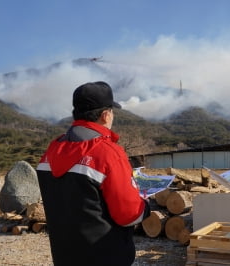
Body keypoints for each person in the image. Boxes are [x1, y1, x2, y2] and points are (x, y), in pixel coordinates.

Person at [36, 81, 150, 266]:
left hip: (64, 255)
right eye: (112, 111)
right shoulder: (108, 153)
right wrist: (145, 206)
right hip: (106, 254)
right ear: (106, 115)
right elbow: (128, 214)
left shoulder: (50, 152)